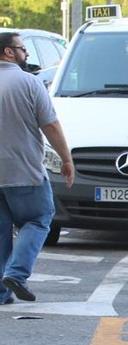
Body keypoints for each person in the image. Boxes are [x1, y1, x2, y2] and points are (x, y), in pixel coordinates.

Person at [0, 32, 75, 304]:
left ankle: (1, 291)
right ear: (9, 52)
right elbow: (51, 125)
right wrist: (67, 159)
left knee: (1, 231)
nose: (27, 54)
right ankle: (17, 275)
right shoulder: (29, 82)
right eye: (22, 49)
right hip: (24, 170)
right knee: (39, 218)